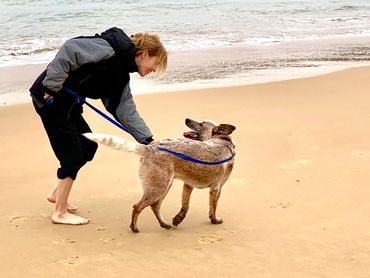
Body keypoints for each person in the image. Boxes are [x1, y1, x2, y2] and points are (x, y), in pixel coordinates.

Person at [29, 27, 167, 225]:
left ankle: (57, 194)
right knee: (72, 155)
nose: (154, 69)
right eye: (156, 64)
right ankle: (59, 212)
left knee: (88, 146)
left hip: (70, 104)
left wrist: (148, 140)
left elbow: (124, 109)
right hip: (50, 98)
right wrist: (51, 86)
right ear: (145, 54)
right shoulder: (109, 49)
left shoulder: (121, 76)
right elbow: (70, 50)